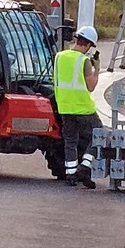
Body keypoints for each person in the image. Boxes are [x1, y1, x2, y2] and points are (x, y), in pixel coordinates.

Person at [53, 25, 101, 189]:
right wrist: (97, 68)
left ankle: (71, 174)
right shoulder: (84, 61)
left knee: (70, 141)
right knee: (99, 135)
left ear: (76, 39)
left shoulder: (59, 57)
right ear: (88, 45)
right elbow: (91, 86)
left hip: (65, 107)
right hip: (83, 108)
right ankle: (85, 167)